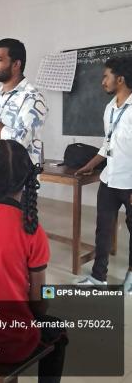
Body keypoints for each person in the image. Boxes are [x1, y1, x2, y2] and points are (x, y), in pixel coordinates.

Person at [0, 140, 66, 380]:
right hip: (13, 343)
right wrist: (50, 296)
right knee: (58, 331)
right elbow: (40, 299)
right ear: (28, 180)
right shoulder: (32, 230)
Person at [76, 57, 132, 291]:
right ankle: (99, 276)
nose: (102, 81)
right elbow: (107, 143)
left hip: (130, 183)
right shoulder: (109, 108)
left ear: (120, 79)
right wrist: (92, 164)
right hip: (109, 179)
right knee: (103, 229)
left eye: (106, 76)